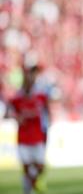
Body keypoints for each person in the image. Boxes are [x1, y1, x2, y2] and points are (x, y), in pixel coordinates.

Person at [5, 65, 49, 194]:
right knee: (26, 167)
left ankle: (31, 185)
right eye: (27, 81)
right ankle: (30, 189)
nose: (30, 83)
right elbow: (7, 114)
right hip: (23, 138)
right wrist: (16, 117)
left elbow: (46, 111)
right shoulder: (17, 99)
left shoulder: (40, 96)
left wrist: (48, 125)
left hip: (37, 137)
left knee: (40, 166)